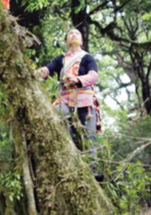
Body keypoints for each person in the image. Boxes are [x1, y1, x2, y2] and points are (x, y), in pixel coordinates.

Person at [37, 29, 103, 181]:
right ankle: (68, 157)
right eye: (70, 34)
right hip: (65, 99)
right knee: (57, 115)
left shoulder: (87, 58)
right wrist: (35, 73)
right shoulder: (60, 59)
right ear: (66, 41)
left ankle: (92, 169)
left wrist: (77, 79)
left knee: (89, 136)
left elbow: (94, 76)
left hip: (85, 100)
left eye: (77, 33)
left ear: (81, 41)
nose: (73, 35)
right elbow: (47, 69)